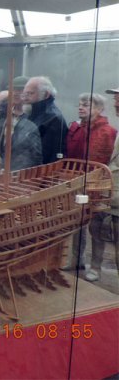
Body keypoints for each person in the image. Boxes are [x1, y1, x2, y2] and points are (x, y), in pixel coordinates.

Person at [63, 92, 116, 273]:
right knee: (78, 225)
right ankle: (76, 260)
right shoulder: (78, 129)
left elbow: (107, 161)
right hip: (79, 183)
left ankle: (95, 267)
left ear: (99, 109)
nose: (81, 107)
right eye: (80, 104)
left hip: (97, 186)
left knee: (96, 227)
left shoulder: (108, 132)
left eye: (86, 104)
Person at [86, 87, 119, 282]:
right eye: (115, 98)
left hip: (115, 195)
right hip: (107, 192)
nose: (115, 103)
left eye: (118, 99)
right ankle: (95, 267)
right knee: (96, 230)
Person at [0, 77, 42, 171]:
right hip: (1, 171)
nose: (16, 93)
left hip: (21, 173)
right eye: (13, 89)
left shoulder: (33, 117)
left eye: (20, 89)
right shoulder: (3, 114)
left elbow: (35, 155)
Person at [22, 76, 68, 164]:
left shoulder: (53, 118)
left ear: (46, 94)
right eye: (24, 94)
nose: (25, 98)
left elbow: (50, 157)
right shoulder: (30, 113)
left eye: (30, 93)